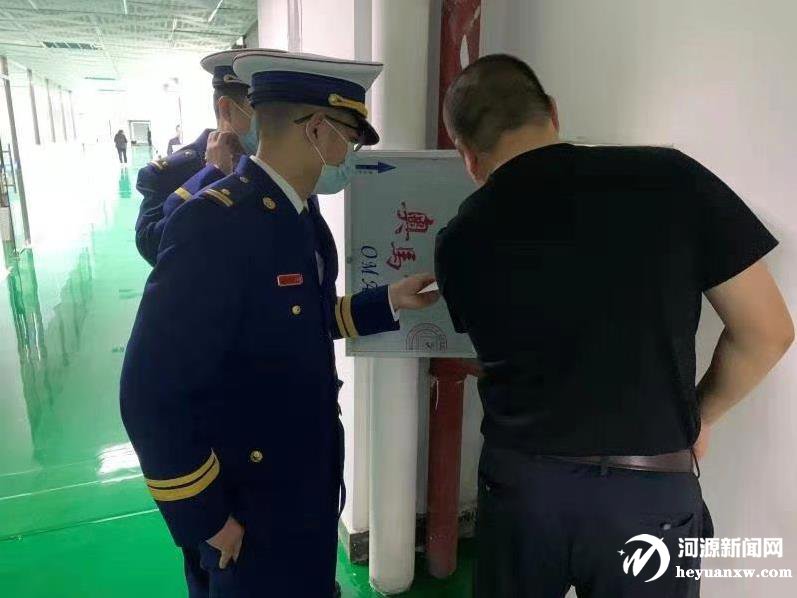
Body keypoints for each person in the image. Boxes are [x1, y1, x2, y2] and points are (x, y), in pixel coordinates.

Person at [435, 54, 793, 598]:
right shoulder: (672, 178)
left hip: (524, 491)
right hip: (648, 491)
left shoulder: (461, 238)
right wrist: (699, 417)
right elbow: (768, 331)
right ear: (552, 112)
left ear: (467, 156)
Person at [120, 50, 440, 598]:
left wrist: (387, 301)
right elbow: (149, 391)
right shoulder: (216, 224)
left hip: (301, 483)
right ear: (316, 129)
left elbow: (295, 321)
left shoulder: (297, 211)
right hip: (248, 505)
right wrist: (205, 516)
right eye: (350, 137)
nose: (353, 155)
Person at [134, 50, 261, 266]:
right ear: (227, 109)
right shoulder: (168, 173)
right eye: (262, 112)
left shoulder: (275, 164)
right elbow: (153, 249)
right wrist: (212, 175)